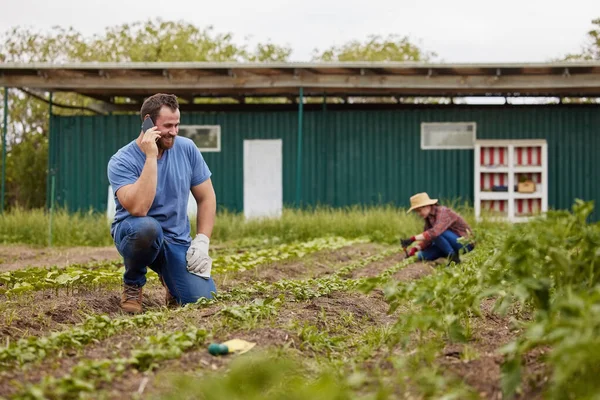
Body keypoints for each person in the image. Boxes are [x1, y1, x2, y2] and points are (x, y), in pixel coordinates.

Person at [107, 93, 217, 314]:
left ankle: (170, 279)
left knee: (203, 299)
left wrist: (202, 240)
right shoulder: (122, 160)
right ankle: (133, 283)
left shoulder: (187, 149)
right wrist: (150, 157)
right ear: (148, 122)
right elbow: (139, 209)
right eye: (168, 126)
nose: (174, 132)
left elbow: (207, 197)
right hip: (135, 233)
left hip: (175, 239)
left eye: (177, 125)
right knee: (148, 228)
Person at [400, 192, 474, 266]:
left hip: (464, 243)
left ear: (427, 206)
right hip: (451, 243)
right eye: (416, 212)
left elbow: (435, 232)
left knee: (436, 233)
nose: (419, 214)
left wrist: (412, 239)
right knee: (422, 256)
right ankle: (448, 254)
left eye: (419, 210)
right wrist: (415, 249)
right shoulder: (428, 219)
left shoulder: (443, 212)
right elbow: (428, 239)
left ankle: (453, 258)